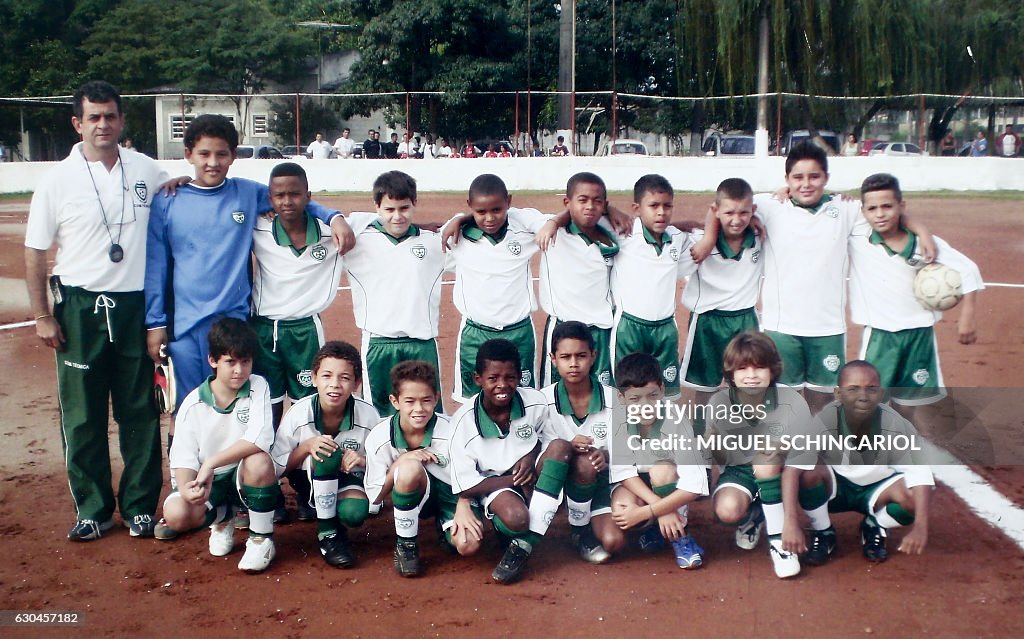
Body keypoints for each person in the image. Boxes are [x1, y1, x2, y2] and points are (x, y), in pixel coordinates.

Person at [691, 142, 935, 415]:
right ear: (786, 180)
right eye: (797, 177)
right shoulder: (769, 205)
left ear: (826, 178)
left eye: (814, 176)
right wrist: (709, 238)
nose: (806, 184)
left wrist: (922, 232)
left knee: (822, 397)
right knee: (785, 398)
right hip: (781, 327)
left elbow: (889, 212)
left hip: (827, 327)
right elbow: (719, 208)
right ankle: (789, 443)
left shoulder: (845, 208)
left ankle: (816, 445)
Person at [24, 80, 168, 541]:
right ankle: (92, 507)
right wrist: (43, 315)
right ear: (77, 123)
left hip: (135, 307)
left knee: (140, 409)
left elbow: (183, 194)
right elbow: (35, 251)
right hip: (80, 306)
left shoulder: (147, 169)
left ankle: (141, 506)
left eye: (110, 116)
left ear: (122, 120)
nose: (102, 125)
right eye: (93, 117)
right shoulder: (57, 180)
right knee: (83, 414)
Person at [145, 115, 351, 414]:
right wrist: (156, 324)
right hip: (186, 326)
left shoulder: (247, 193)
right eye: (204, 154)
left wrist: (333, 216)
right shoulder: (168, 200)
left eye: (221, 154)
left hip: (236, 322)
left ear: (233, 156)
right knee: (188, 407)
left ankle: (235, 462)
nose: (212, 162)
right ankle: (184, 461)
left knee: (235, 404)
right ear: (188, 154)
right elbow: (156, 266)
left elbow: (293, 199)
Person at [848, 173, 982, 432]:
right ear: (863, 211)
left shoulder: (925, 246)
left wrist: (968, 314)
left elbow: (968, 270)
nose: (880, 214)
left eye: (887, 206)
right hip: (880, 336)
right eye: (872, 208)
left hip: (920, 335)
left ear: (901, 206)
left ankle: (911, 454)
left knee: (914, 404)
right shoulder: (858, 237)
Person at [782, 360, 934, 565]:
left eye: (871, 389)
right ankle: (823, 531)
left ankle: (875, 525)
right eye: (853, 389)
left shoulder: (896, 424)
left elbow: (921, 475)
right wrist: (790, 522)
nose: (863, 396)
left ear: (880, 393)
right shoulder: (824, 421)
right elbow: (792, 469)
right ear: (838, 393)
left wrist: (920, 527)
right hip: (837, 488)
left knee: (916, 496)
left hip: (878, 488)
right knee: (808, 473)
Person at [158, 318, 280, 572]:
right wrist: (189, 488)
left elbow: (261, 437)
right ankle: (223, 518)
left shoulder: (258, 386)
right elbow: (183, 458)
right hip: (210, 482)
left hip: (243, 477)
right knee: (177, 513)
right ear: (213, 360)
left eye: (245, 362)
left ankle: (261, 538)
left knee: (258, 460)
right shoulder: (192, 405)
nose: (239, 370)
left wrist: (212, 463)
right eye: (230, 362)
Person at [447, 339, 572, 584]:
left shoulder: (534, 402)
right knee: (517, 519)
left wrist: (530, 456)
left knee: (560, 448)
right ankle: (512, 533)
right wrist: (513, 480)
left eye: (510, 377)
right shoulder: (463, 423)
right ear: (478, 379)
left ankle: (524, 546)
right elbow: (465, 485)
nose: (502, 385)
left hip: (532, 474)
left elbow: (545, 438)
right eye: (493, 378)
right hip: (495, 484)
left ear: (520, 377)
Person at [705, 331, 814, 579]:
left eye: (760, 367)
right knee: (727, 510)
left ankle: (780, 542)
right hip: (741, 470)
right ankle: (756, 513)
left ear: (773, 370)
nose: (751, 376)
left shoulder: (791, 401)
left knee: (767, 459)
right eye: (743, 368)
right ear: (731, 372)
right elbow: (718, 457)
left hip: (786, 471)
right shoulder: (719, 403)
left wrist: (791, 520)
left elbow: (802, 458)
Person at [442, 174, 556, 402]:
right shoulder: (457, 234)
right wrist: (461, 219)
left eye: (497, 210)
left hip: (519, 331)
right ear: (469, 207)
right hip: (475, 332)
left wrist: (551, 223)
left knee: (524, 398)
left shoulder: (523, 224)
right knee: (471, 402)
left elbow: (559, 219)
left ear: (509, 202)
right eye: (481, 212)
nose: (490, 218)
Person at [341, 171, 445, 416]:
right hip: (379, 342)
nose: (397, 216)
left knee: (428, 412)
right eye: (389, 209)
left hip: (422, 342)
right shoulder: (357, 240)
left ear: (415, 204)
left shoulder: (434, 241)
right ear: (376, 207)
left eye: (404, 208)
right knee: (378, 414)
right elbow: (327, 221)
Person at [271, 341, 378, 568]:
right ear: (314, 378)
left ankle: (326, 512)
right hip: (305, 478)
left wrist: (363, 460)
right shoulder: (298, 413)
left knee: (354, 513)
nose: (335, 385)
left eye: (345, 378)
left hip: (347, 478)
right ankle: (328, 533)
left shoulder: (368, 415)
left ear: (357, 383)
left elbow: (385, 462)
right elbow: (278, 467)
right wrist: (306, 447)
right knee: (326, 452)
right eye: (327, 376)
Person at [607, 352, 709, 568]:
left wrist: (648, 511)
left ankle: (680, 536)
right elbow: (624, 473)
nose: (645, 405)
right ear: (621, 398)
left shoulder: (676, 420)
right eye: (635, 398)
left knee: (662, 471)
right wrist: (661, 510)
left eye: (652, 396)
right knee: (622, 508)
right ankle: (657, 527)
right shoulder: (617, 419)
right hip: (637, 485)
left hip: (667, 482)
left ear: (662, 390)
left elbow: (694, 486)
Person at [679, 178, 762, 431]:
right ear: (715, 212)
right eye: (728, 213)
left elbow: (787, 200)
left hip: (746, 319)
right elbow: (663, 230)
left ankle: (746, 441)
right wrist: (709, 234)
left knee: (749, 385)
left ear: (753, 212)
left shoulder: (759, 236)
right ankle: (700, 440)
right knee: (706, 389)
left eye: (743, 213)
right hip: (708, 321)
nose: (736, 220)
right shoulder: (699, 242)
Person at [364, 360, 457, 577]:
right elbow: (375, 496)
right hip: (414, 490)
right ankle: (406, 545)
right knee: (408, 469)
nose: (419, 408)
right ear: (394, 401)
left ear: (436, 398)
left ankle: (444, 525)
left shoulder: (452, 430)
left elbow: (468, 478)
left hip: (449, 495)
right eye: (409, 401)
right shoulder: (380, 436)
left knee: (463, 545)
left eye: (426, 400)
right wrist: (401, 462)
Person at [609, 174, 696, 398]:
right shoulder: (623, 234)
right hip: (630, 327)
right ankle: (626, 433)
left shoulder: (676, 237)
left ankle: (665, 432)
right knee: (627, 389)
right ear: (637, 208)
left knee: (666, 392)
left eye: (667, 206)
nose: (661, 212)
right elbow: (588, 210)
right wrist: (611, 209)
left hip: (665, 328)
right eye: (654, 206)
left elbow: (703, 230)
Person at [539, 321, 615, 564]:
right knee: (563, 451)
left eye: (581, 355)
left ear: (593, 356)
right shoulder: (542, 401)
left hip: (595, 479)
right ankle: (538, 525)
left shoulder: (613, 398)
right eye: (565, 356)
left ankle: (579, 528)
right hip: (553, 477)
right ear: (553, 359)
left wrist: (606, 455)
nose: (573, 363)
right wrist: (568, 446)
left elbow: (627, 448)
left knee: (614, 541)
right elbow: (536, 451)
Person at [538, 172, 618, 386]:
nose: (590, 206)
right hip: (562, 328)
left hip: (600, 330)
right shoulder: (550, 229)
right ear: (567, 202)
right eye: (582, 200)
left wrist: (612, 211)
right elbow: (500, 214)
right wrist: (554, 221)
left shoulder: (613, 231)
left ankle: (615, 422)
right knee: (552, 395)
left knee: (607, 395)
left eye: (597, 202)